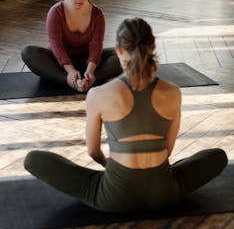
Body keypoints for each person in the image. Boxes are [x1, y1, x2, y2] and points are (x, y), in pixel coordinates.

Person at [24, 18, 228, 214]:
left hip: (115, 198)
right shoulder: (173, 92)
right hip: (165, 194)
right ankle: (156, 180)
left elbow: (93, 152)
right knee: (218, 156)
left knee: (33, 159)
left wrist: (110, 167)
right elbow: (167, 150)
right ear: (153, 47)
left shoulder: (98, 94)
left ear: (119, 51)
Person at [21, 0, 122, 92]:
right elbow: (56, 46)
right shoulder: (55, 12)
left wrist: (90, 71)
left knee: (127, 54)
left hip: (87, 61)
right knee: (27, 52)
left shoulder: (98, 14)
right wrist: (70, 71)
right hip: (59, 63)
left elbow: (96, 46)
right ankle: (68, 80)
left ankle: (89, 80)